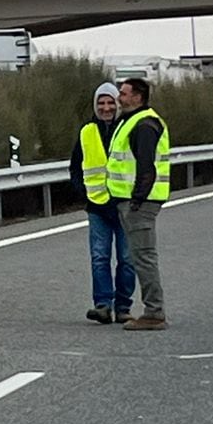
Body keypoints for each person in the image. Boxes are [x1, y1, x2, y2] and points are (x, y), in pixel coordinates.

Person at [111, 76, 170, 330]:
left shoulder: (144, 124)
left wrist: (137, 199)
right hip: (131, 200)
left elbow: (146, 166)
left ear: (138, 97)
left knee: (144, 257)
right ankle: (152, 310)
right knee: (139, 256)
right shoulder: (132, 121)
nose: (119, 98)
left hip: (140, 203)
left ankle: (154, 313)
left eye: (123, 94)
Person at [77, 82, 136, 324]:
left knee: (127, 258)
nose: (106, 107)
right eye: (101, 103)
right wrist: (83, 193)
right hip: (97, 205)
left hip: (125, 204)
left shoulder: (129, 128)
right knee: (99, 257)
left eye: (110, 101)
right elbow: (76, 166)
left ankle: (123, 306)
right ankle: (103, 304)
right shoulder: (87, 131)